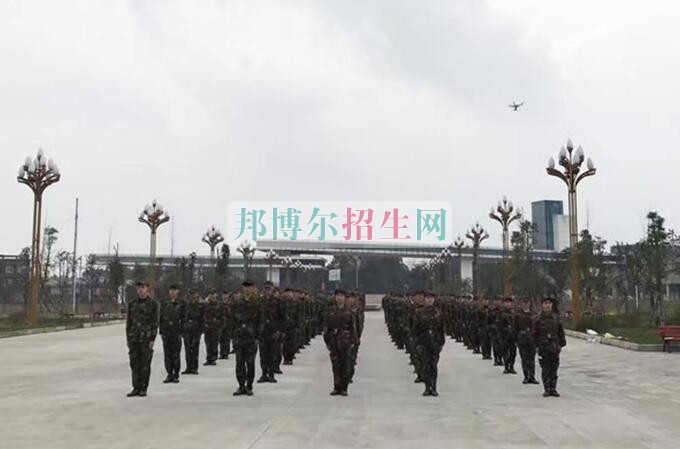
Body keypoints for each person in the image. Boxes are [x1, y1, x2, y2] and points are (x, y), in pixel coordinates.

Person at [126, 280, 160, 397]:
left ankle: (143, 388)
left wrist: (152, 339)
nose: (140, 290)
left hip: (146, 339)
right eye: (138, 288)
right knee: (134, 364)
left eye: (143, 287)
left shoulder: (153, 304)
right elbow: (129, 323)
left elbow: (155, 323)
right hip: (134, 338)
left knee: (145, 364)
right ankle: (135, 387)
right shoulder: (132, 304)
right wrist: (128, 339)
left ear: (147, 289)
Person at [324, 290, 358, 396]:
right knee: (335, 366)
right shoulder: (330, 312)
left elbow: (353, 328)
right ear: (335, 298)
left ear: (344, 298)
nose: (339, 298)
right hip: (334, 342)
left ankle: (344, 388)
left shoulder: (349, 312)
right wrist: (327, 341)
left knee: (346, 366)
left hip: (345, 343)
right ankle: (336, 387)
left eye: (342, 296)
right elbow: (327, 328)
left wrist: (353, 341)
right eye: (338, 296)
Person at [412, 291, 445, 396]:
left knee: (433, 366)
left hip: (435, 344)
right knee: (426, 366)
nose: (430, 300)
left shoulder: (438, 313)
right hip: (423, 343)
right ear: (424, 299)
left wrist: (440, 344)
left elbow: (441, 330)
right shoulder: (418, 313)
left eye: (431, 298)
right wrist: (417, 344)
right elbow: (415, 330)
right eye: (427, 298)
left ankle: (434, 387)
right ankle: (427, 387)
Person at [533, 297, 567, 397]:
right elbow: (534, 333)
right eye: (545, 303)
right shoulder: (538, 319)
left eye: (549, 303)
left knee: (554, 368)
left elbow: (560, 332)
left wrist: (561, 344)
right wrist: (536, 345)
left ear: (551, 305)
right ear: (542, 305)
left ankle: (553, 388)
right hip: (543, 346)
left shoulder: (556, 318)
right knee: (545, 368)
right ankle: (547, 388)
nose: (547, 305)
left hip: (554, 346)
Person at [232, 280, 261, 396]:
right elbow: (232, 320)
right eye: (245, 287)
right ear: (242, 288)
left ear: (252, 288)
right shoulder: (238, 303)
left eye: (249, 287)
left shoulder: (257, 303)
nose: (247, 289)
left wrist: (257, 336)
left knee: (250, 363)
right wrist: (233, 336)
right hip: (239, 337)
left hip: (251, 337)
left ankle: (249, 385)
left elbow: (260, 320)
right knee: (239, 363)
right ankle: (241, 385)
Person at [257, 281, 285, 383]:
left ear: (272, 289)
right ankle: (264, 374)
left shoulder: (277, 302)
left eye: (269, 289)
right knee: (263, 354)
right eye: (266, 289)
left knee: (273, 354)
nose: (267, 291)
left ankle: (271, 374)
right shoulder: (260, 301)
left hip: (273, 332)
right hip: (262, 332)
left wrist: (280, 330)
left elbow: (282, 317)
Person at [159, 284, 184, 383]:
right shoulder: (164, 304)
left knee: (176, 354)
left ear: (178, 292)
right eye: (171, 291)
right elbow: (161, 318)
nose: (173, 293)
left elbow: (184, 318)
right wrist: (161, 331)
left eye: (175, 290)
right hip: (166, 333)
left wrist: (182, 331)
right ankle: (169, 373)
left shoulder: (181, 304)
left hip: (176, 332)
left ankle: (176, 374)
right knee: (167, 355)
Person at [515, 297, 539, 385]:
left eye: (527, 302)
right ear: (521, 304)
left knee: (531, 359)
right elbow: (515, 328)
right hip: (522, 339)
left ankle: (532, 376)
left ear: (529, 303)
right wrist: (516, 340)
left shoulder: (534, 314)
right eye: (524, 302)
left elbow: (537, 328)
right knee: (524, 358)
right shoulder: (518, 315)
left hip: (532, 339)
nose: (525, 304)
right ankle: (526, 376)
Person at [181, 289, 204, 375]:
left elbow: (202, 319)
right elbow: (183, 318)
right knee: (187, 350)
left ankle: (194, 367)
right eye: (191, 295)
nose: (192, 297)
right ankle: (188, 367)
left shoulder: (200, 306)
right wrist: (182, 329)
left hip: (195, 330)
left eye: (194, 295)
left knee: (195, 349)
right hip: (187, 330)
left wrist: (201, 330)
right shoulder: (186, 306)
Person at [203, 289, 223, 366]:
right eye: (210, 295)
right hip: (208, 327)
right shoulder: (206, 305)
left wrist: (220, 327)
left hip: (216, 328)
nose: (212, 296)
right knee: (208, 343)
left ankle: (213, 358)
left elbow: (222, 317)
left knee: (214, 343)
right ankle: (208, 358)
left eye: (213, 295)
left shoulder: (219, 305)